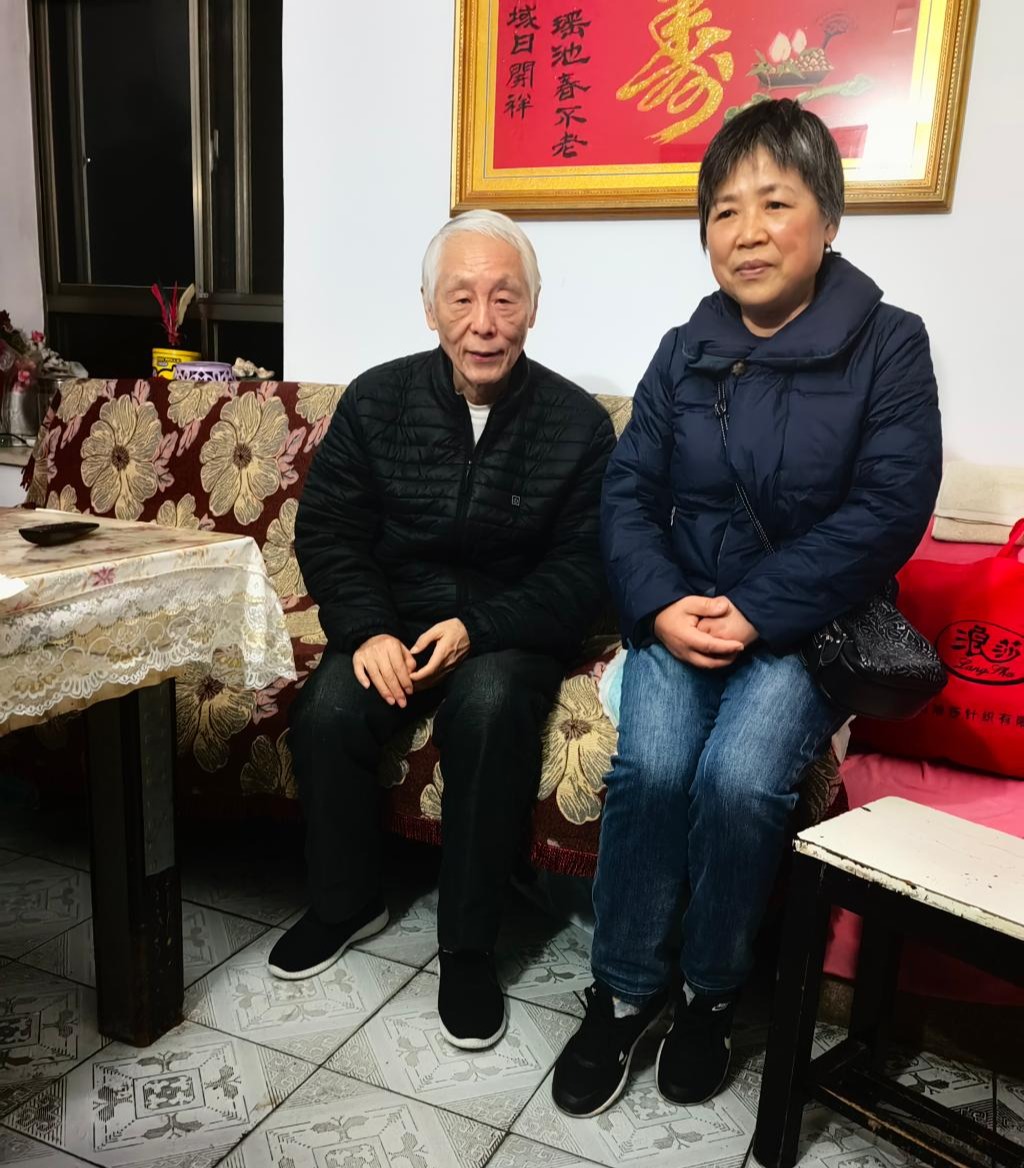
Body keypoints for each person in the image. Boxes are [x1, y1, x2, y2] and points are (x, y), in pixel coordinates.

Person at [552, 99, 942, 1116]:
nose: (747, 231)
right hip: (681, 609)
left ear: (829, 217)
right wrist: (660, 604)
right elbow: (627, 491)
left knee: (737, 778)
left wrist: (758, 608)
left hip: (806, 624)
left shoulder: (890, 344)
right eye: (724, 210)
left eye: (775, 202)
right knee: (652, 767)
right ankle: (623, 988)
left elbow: (890, 507)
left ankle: (710, 993)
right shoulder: (684, 347)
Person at [269, 210, 616, 1052]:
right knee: (328, 711)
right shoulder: (377, 399)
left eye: (505, 298)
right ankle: (346, 903)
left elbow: (583, 571)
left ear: (534, 307)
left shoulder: (578, 425)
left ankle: (467, 946)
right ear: (430, 309)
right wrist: (368, 630)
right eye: (461, 298)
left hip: (509, 631)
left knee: (490, 709)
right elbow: (330, 531)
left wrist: (478, 626)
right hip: (395, 620)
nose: (483, 323)